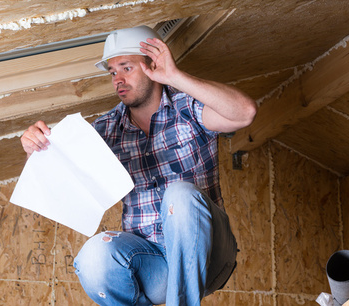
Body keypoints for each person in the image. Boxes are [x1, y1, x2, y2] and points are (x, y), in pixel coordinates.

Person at [20, 25, 257, 305]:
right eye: (112, 72)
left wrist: (176, 77)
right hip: (154, 265)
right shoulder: (106, 130)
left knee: (180, 194)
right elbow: (56, 181)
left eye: (126, 68)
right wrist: (34, 149)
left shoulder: (187, 108)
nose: (117, 79)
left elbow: (245, 113)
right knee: (94, 256)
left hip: (208, 255)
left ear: (152, 65)